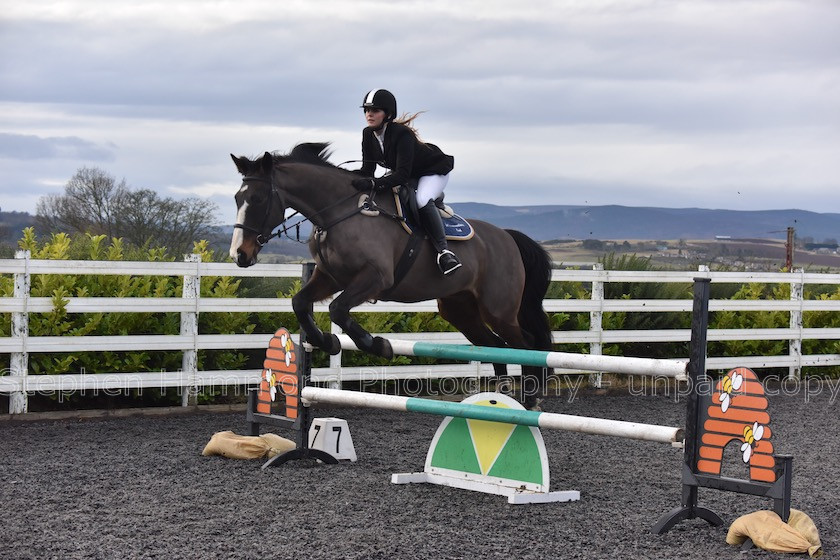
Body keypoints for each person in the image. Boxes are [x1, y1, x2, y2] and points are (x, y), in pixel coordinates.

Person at [351, 88, 462, 275]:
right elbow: (367, 170)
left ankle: (444, 252)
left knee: (421, 200)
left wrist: (373, 184)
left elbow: (401, 176)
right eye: (366, 110)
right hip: (410, 174)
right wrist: (345, 177)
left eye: (375, 110)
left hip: (432, 171)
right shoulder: (367, 134)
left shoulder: (401, 134)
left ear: (387, 114)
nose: (369, 114)